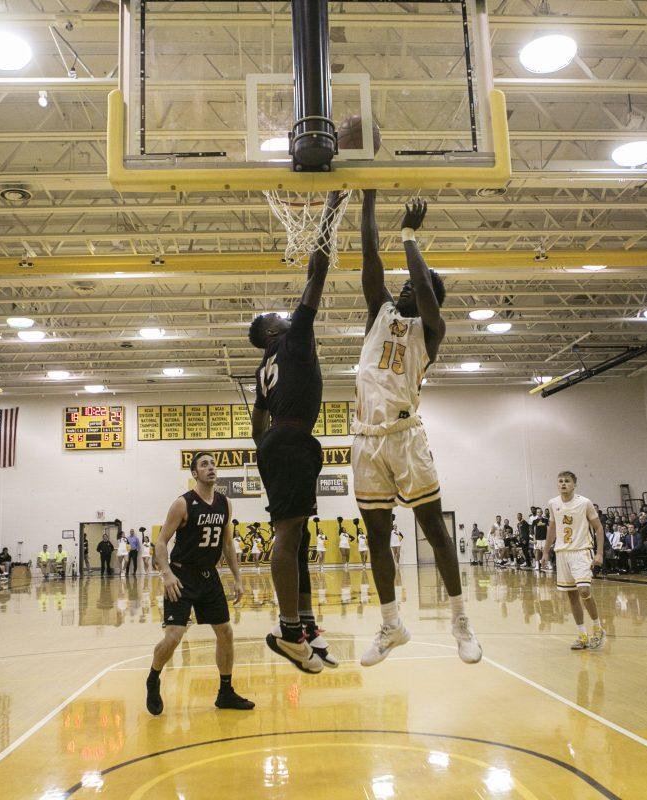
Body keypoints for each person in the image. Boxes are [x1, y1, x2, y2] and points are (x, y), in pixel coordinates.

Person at [353, 192, 481, 667]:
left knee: (433, 529)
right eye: (404, 285)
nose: (407, 288)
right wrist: (366, 196)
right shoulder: (380, 314)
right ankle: (391, 624)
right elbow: (369, 257)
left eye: (417, 285)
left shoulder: (431, 330)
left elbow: (424, 291)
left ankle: (460, 620)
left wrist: (409, 235)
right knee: (377, 535)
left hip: (406, 437)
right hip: (366, 438)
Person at [249, 192, 345, 673]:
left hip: (281, 441)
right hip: (290, 440)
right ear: (271, 331)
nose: (284, 314)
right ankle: (288, 631)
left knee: (299, 534)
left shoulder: (266, 366)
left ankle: (305, 626)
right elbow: (317, 273)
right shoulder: (292, 339)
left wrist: (267, 448)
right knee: (288, 535)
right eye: (276, 317)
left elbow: (255, 422)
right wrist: (331, 209)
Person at [146, 452, 254, 715]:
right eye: (204, 465)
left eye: (212, 464)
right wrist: (167, 574)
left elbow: (227, 544)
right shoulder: (182, 504)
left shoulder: (225, 504)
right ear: (194, 473)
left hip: (209, 576)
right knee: (173, 637)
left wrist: (238, 579)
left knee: (226, 632)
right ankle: (153, 678)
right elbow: (161, 543)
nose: (210, 468)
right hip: (182, 577)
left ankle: (225, 692)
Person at [543, 471, 606, 650]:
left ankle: (598, 628)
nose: (563, 484)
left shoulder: (585, 503)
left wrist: (599, 553)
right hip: (562, 553)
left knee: (584, 590)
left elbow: (599, 529)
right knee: (572, 595)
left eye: (567, 481)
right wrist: (546, 552)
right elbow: (552, 528)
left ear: (574, 484)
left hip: (581, 551)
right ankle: (582, 635)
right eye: (560, 481)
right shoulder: (553, 503)